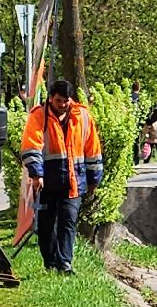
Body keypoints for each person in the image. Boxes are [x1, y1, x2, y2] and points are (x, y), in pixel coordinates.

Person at [19, 78, 104, 274]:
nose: (63, 105)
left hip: (73, 181)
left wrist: (94, 179)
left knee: (68, 221)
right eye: (59, 101)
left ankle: (65, 264)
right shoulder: (39, 115)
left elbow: (93, 149)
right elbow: (32, 145)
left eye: (66, 101)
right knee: (46, 226)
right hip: (47, 182)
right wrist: (36, 174)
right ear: (51, 98)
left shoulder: (82, 116)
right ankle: (51, 263)